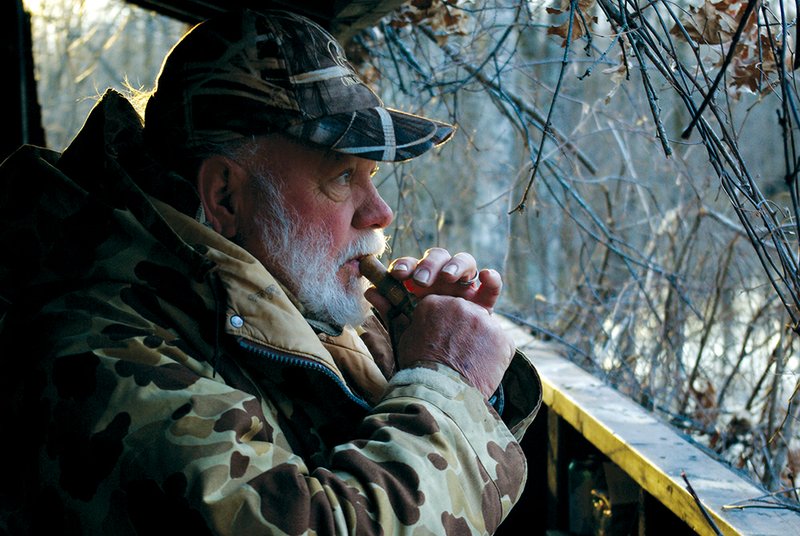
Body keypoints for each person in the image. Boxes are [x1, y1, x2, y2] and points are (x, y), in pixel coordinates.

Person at [0, 8, 541, 535]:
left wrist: (422, 358)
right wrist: (446, 383)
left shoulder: (276, 293)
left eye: (372, 175)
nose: (380, 213)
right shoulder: (100, 350)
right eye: (342, 177)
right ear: (225, 197)